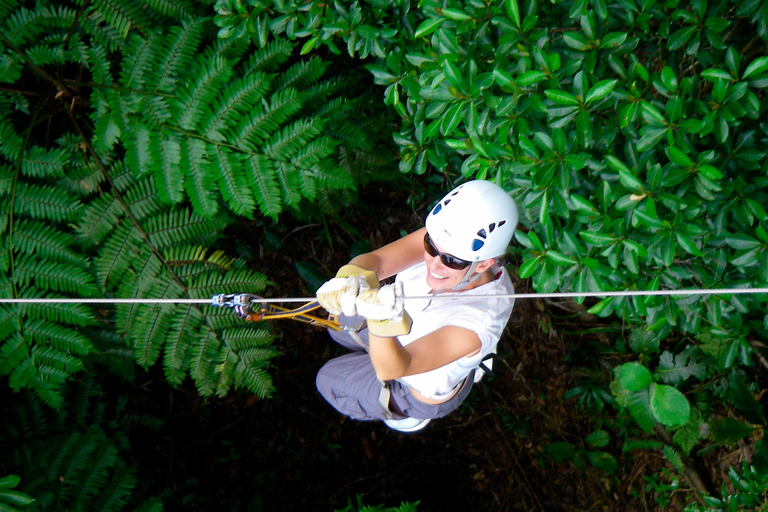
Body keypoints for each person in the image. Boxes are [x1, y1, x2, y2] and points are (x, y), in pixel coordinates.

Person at [315, 180, 518, 432]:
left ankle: (405, 415)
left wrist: (381, 322)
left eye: (451, 260)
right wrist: (350, 276)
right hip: (399, 325)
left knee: (328, 379)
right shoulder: (450, 239)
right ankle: (371, 345)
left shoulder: (480, 322)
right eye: (430, 246)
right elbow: (378, 261)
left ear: (485, 264)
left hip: (414, 384)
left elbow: (394, 367)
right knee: (337, 322)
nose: (433, 265)